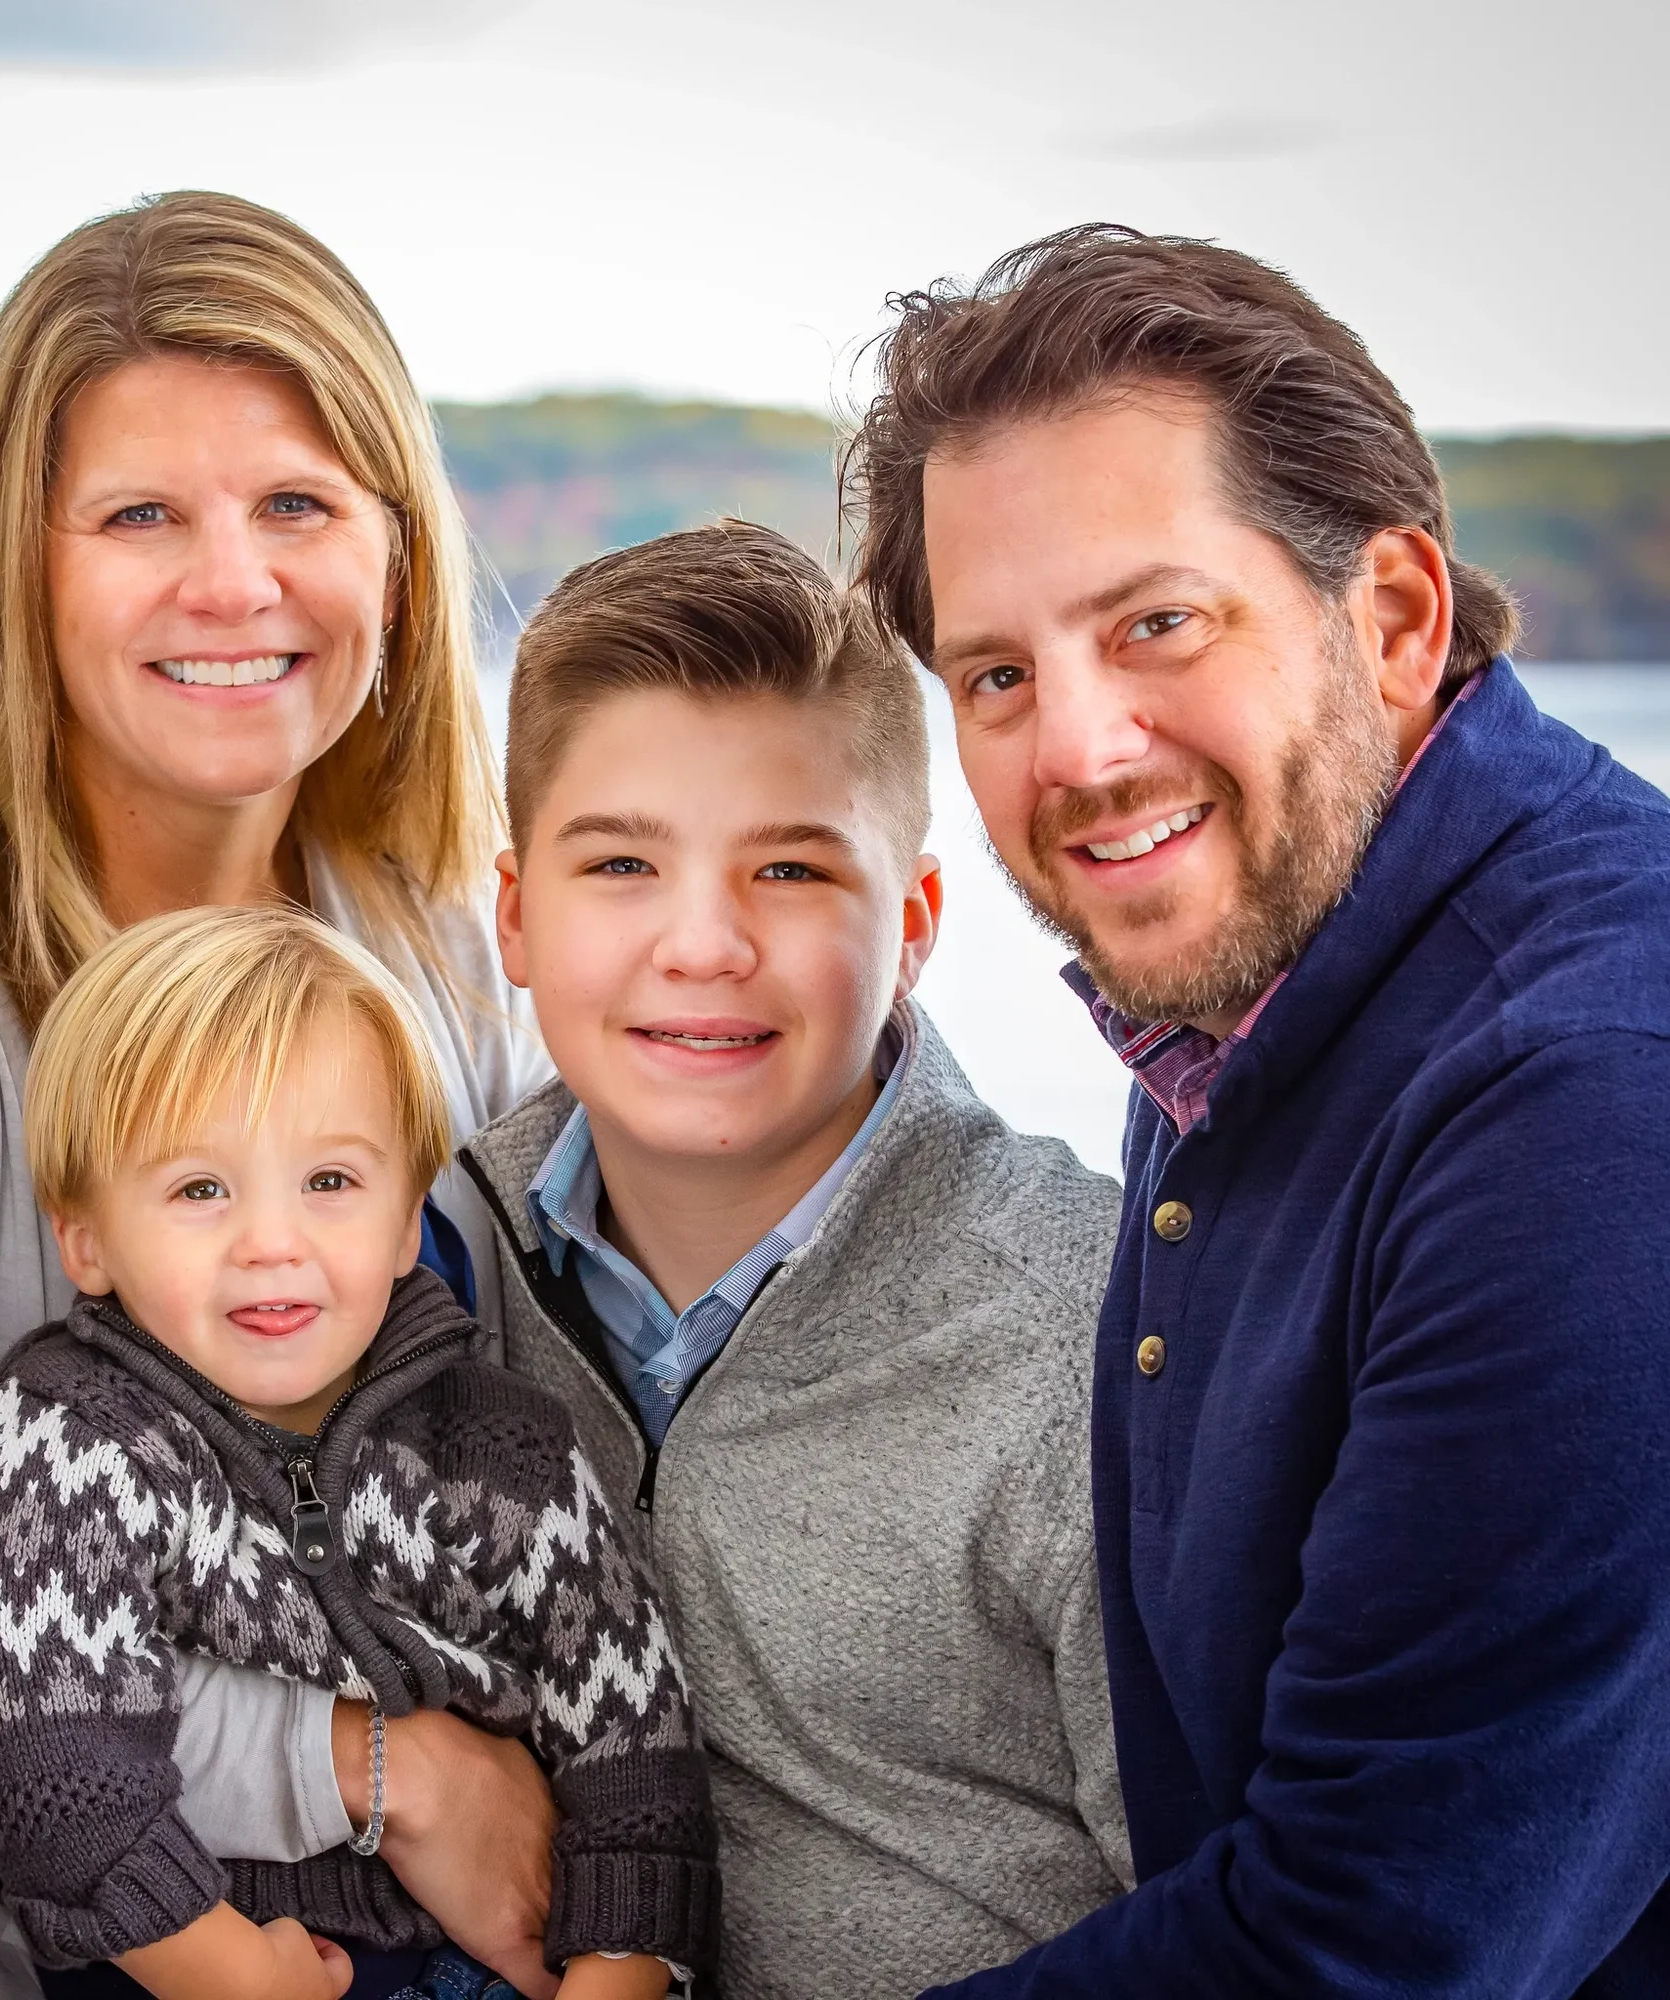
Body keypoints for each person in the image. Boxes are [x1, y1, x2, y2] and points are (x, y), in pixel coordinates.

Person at [0, 191, 559, 1999]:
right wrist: (367, 1770)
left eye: (297, 506)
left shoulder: (442, 942)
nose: (234, 585)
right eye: (138, 517)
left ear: (398, 558)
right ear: (17, 570)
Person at [846, 225, 1670, 1995]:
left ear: (1390, 620)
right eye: (996, 674)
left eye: (1157, 623)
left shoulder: (1584, 1102)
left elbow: (1367, 1948)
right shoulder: (1267, 964)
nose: (1076, 750)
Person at [453, 521, 1131, 1998]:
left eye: (791, 871)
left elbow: (1255, 1918)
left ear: (916, 923)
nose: (702, 944)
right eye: (622, 862)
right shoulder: (426, 1272)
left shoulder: (1091, 1338)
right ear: (515, 914)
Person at [0, 905, 717, 2000]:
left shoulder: (503, 1448)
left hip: (494, 1956)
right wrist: (228, 1968)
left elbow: (636, 1755)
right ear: (86, 1235)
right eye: (200, 1188)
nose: (272, 1241)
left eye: (330, 1182)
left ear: (406, 1220)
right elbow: (44, 1757)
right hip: (194, 1954)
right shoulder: (54, 1442)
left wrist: (613, 1975)